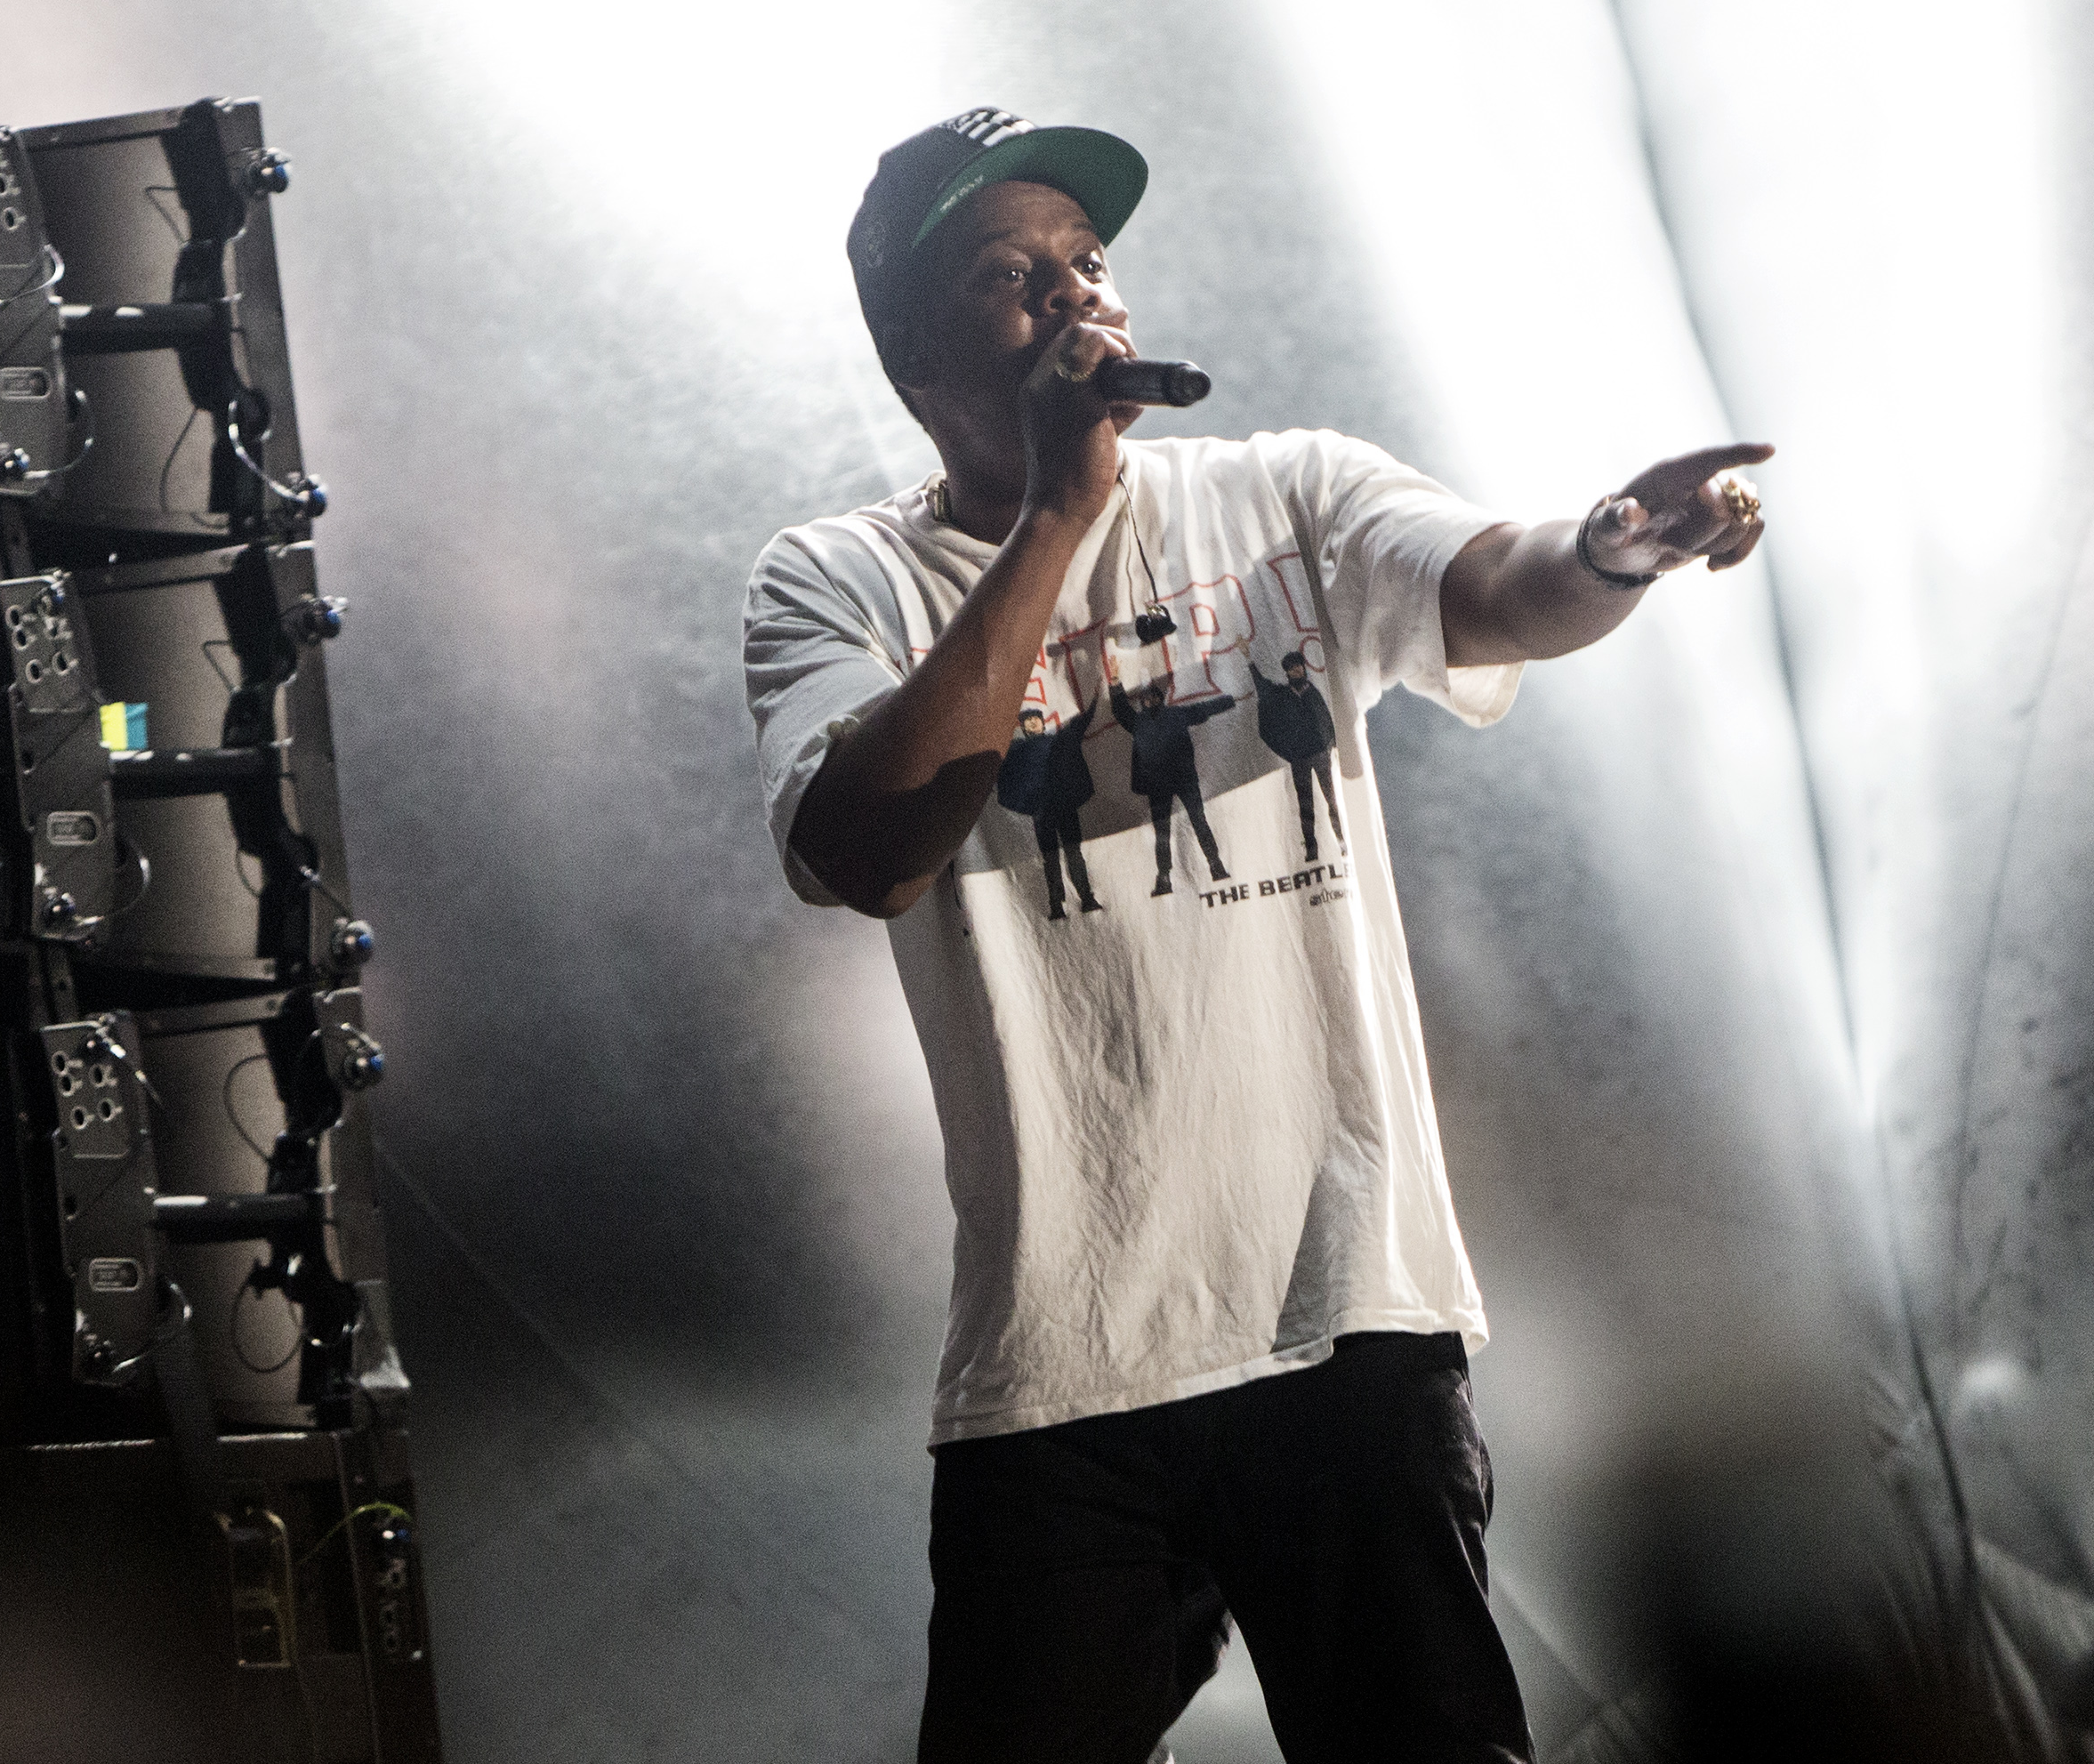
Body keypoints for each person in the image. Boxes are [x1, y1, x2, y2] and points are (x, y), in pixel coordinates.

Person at [744, 107, 1768, 1764]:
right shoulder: (839, 582)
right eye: (1015, 279)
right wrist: (1054, 524)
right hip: (1066, 1360)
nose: (1081, 303)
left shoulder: (1288, 498)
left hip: (1341, 1312)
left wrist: (1616, 546)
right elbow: (870, 846)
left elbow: (1499, 585)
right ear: (912, 347)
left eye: (1091, 262)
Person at [1105, 672, 1234, 894]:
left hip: (1183, 780)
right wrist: (1115, 684)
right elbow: (1120, 710)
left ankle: (1215, 865)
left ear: (1160, 699)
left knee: (1198, 821)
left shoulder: (1175, 714)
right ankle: (1165, 877)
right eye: (1145, 699)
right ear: (1142, 702)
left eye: (1153, 697)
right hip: (1159, 785)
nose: (1149, 701)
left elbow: (1203, 709)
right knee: (1163, 832)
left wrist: (1229, 700)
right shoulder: (1138, 721)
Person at [996, 697, 1103, 919]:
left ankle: (1086, 897)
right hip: (1041, 811)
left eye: (1036, 719)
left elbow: (1079, 725)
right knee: (1051, 858)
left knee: (1074, 853)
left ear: (1043, 723)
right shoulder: (1016, 750)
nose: (1033, 723)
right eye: (1028, 720)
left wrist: (1094, 698)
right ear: (1022, 727)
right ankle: (1057, 904)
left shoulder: (1058, 741)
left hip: (1064, 806)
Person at [1251, 649, 1344, 864]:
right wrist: (1250, 662)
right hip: (1300, 759)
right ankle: (1312, 851)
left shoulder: (1313, 692)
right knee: (1306, 807)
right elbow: (1263, 688)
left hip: (1320, 755)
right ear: (1287, 672)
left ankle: (1341, 841)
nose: (1298, 669)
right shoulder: (1283, 695)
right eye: (1293, 667)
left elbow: (1327, 720)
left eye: (1300, 665)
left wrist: (1330, 746)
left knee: (1332, 801)